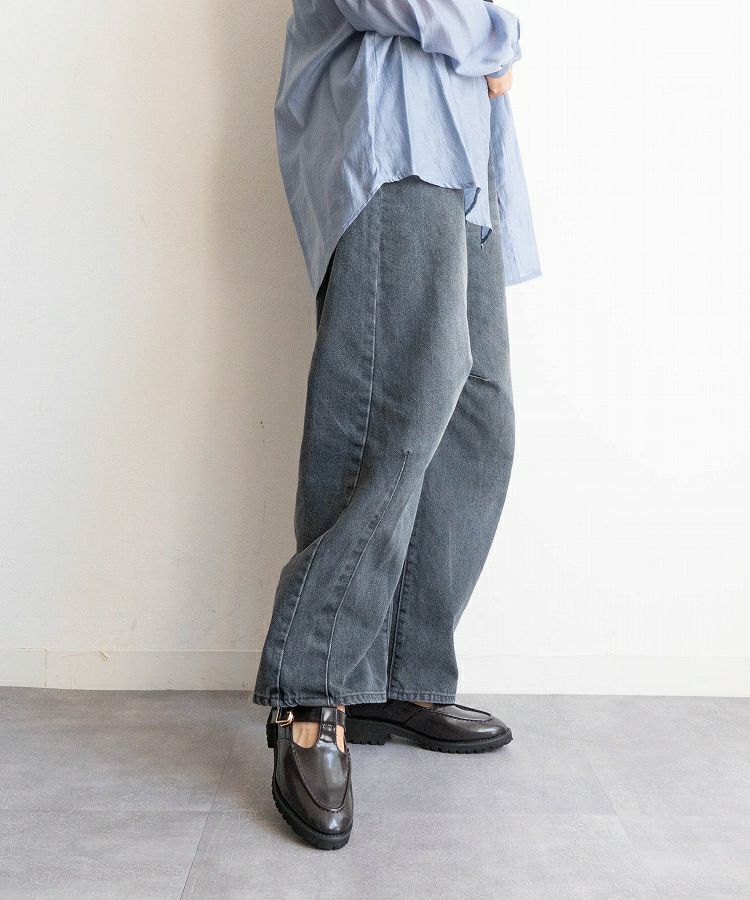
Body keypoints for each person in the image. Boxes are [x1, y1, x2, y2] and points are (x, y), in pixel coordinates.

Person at [254, 0, 540, 850]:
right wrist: (494, 36)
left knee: (475, 414)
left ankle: (393, 676)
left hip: (463, 140)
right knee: (391, 400)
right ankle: (314, 692)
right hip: (395, 123)